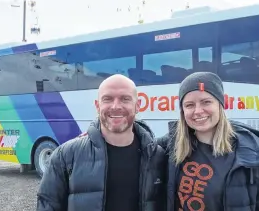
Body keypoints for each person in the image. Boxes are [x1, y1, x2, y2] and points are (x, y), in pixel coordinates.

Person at [37, 74, 167, 211]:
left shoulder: (157, 156)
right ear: (97, 106)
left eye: (125, 99)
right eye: (108, 99)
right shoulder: (65, 156)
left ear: (138, 105)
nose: (116, 106)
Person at [157, 72, 259, 211]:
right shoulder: (170, 146)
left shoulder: (252, 151)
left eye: (206, 102)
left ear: (220, 104)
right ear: (182, 111)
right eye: (189, 105)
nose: (198, 111)